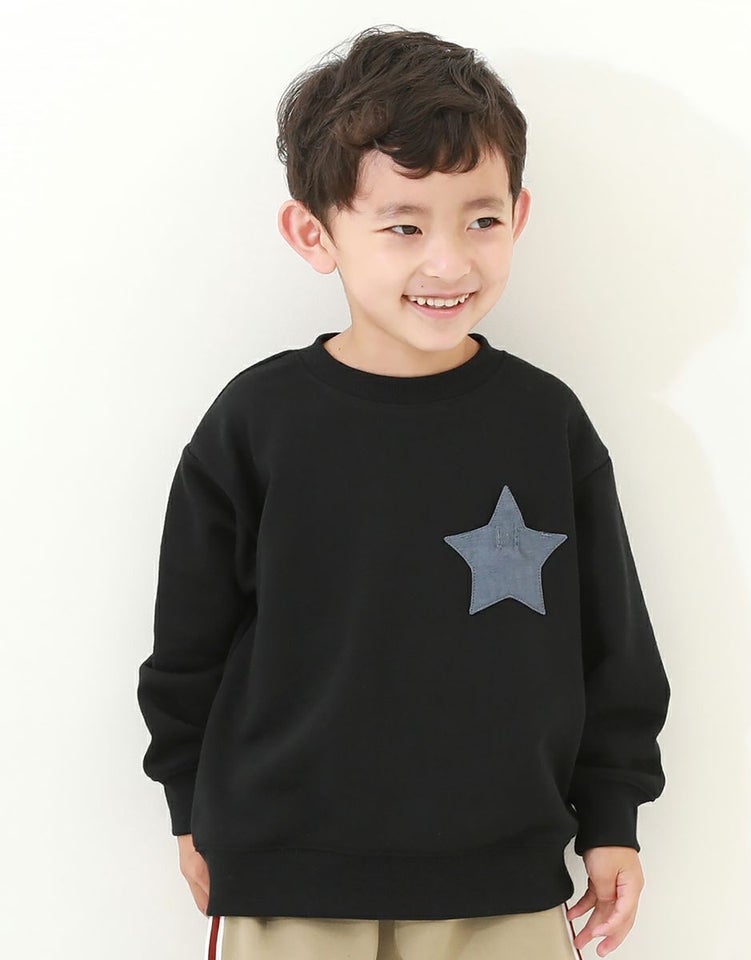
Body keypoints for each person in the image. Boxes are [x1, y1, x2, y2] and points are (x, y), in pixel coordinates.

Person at [137, 24, 671, 960]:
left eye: (481, 220)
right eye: (403, 225)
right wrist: (188, 805)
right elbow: (189, 645)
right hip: (285, 876)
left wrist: (612, 816)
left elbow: (613, 645)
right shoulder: (256, 422)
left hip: (502, 879)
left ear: (519, 215)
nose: (449, 262)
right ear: (314, 232)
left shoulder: (545, 423)